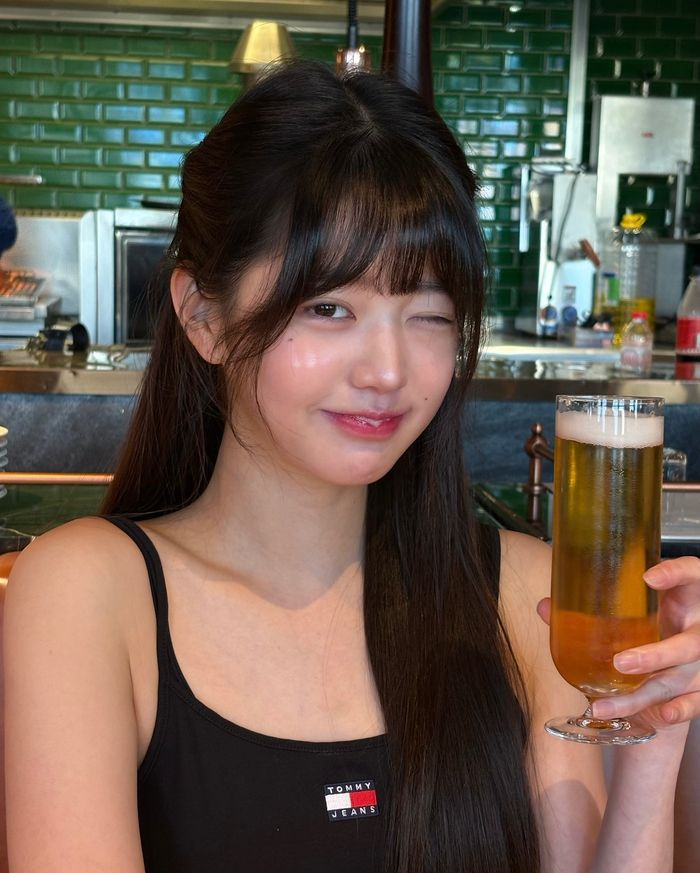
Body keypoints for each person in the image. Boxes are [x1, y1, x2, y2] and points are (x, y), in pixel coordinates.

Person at [3, 61, 700, 873]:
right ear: (202, 315)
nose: (388, 370)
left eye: (428, 314)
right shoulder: (89, 596)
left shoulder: (530, 599)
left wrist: (655, 741)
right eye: (330, 307)